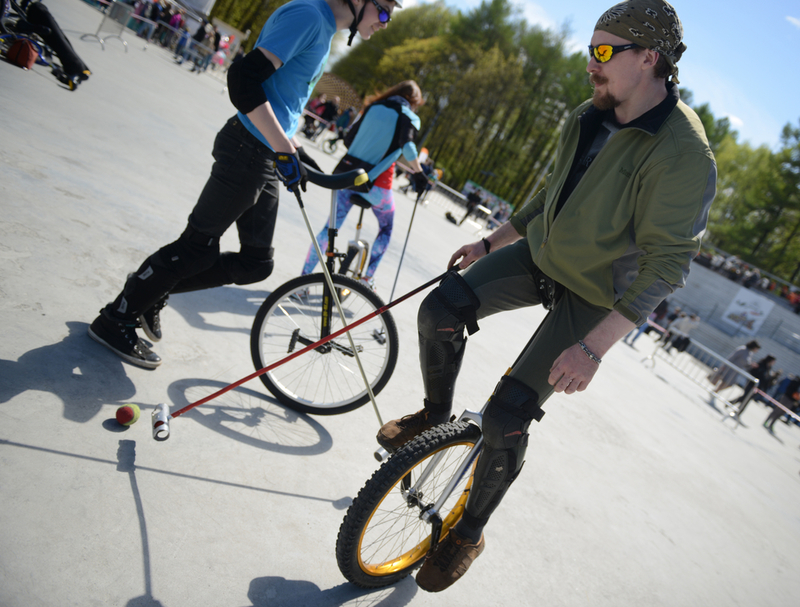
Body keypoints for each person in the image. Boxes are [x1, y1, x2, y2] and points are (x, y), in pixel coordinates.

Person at [374, 0, 716, 592]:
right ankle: (433, 420)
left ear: (648, 59)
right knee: (441, 308)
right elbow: (548, 193)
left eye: (604, 51)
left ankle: (468, 533)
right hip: (540, 257)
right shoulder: (589, 113)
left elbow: (667, 265)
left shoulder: (684, 153)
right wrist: (492, 241)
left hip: (593, 292)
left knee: (506, 417)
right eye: (591, 49)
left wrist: (594, 350)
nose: (591, 63)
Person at [88, 0, 399, 368]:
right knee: (197, 248)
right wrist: (282, 146)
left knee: (256, 263)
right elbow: (243, 79)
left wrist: (291, 146)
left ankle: (151, 286)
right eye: (384, 11)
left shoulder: (322, 26)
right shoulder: (309, 17)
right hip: (247, 150)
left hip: (264, 153)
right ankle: (118, 316)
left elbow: (280, 98)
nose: (386, 22)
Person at [300, 80, 429, 290]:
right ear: (414, 101)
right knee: (386, 228)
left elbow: (349, 140)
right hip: (377, 184)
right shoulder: (408, 116)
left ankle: (303, 281)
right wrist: (419, 173)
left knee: (329, 228)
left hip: (347, 176)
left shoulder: (372, 107)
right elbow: (408, 146)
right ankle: (367, 279)